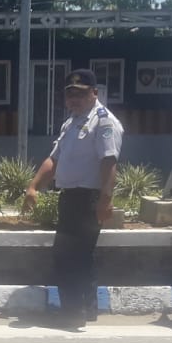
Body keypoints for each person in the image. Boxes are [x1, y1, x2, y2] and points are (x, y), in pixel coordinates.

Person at [22, 68, 123, 327]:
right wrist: (33, 187)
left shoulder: (103, 121)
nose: (74, 100)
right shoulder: (72, 122)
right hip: (71, 198)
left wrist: (105, 200)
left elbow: (109, 162)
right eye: (70, 95)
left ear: (94, 93)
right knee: (82, 256)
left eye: (80, 94)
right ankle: (87, 309)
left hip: (87, 198)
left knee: (66, 255)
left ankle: (72, 312)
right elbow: (53, 159)